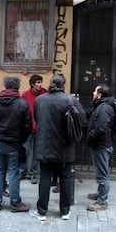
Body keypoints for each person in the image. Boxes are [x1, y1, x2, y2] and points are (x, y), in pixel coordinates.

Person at [29, 74, 85, 221]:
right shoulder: (70, 100)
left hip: (45, 145)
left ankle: (42, 211)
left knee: (45, 178)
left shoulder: (40, 100)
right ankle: (65, 211)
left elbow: (36, 118)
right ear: (63, 85)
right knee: (65, 179)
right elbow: (83, 119)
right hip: (65, 147)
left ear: (51, 84)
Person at [0, 77, 32, 212]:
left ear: (5, 86)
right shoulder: (22, 104)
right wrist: (21, 140)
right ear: (17, 87)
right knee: (13, 172)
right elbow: (27, 126)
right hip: (14, 143)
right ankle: (15, 203)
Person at [86, 84, 115, 211]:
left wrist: (90, 137)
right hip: (100, 145)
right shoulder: (101, 106)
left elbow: (101, 128)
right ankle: (100, 194)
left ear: (99, 95)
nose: (93, 92)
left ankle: (102, 201)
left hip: (101, 146)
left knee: (103, 174)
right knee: (101, 171)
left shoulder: (104, 108)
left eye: (94, 91)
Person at [19, 74, 47, 184]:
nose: (40, 85)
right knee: (25, 150)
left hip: (40, 128)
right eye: (38, 82)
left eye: (41, 82)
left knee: (37, 153)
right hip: (28, 128)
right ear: (32, 84)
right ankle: (22, 171)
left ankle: (34, 173)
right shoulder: (25, 95)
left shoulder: (45, 94)